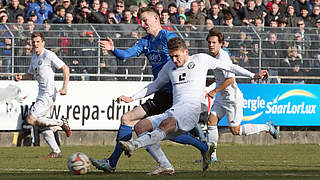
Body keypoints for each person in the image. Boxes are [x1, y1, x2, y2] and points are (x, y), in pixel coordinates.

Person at [117, 36, 270, 174]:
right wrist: (132, 97)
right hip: (175, 109)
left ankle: (133, 145)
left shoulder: (200, 59)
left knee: (166, 124)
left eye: (177, 56)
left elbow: (228, 67)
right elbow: (154, 85)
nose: (175, 60)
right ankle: (165, 165)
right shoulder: (169, 67)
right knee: (140, 127)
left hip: (191, 110)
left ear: (186, 51)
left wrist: (253, 75)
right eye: (171, 56)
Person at [90, 6, 211, 174]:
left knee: (153, 127)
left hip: (176, 94)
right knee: (131, 121)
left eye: (145, 21)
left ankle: (113, 162)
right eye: (141, 21)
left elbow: (184, 60)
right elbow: (126, 55)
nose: (143, 24)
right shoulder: (145, 42)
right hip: (161, 93)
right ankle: (202, 147)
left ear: (156, 19)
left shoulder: (169, 37)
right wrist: (113, 49)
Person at [205, 29, 279, 163]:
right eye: (209, 42)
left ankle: (268, 127)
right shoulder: (214, 57)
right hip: (222, 97)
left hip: (232, 99)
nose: (211, 45)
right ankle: (212, 156)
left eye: (214, 42)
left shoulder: (222, 57)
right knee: (211, 122)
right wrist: (212, 81)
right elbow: (227, 73)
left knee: (236, 131)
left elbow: (230, 80)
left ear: (221, 44)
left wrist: (214, 91)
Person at [14, 32, 72, 149]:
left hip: (48, 94)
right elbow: (30, 74)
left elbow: (65, 68)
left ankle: (61, 123)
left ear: (43, 43)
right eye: (33, 42)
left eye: (38, 42)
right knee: (41, 125)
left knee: (30, 119)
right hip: (41, 94)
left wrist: (64, 87)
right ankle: (56, 150)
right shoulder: (34, 58)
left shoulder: (48, 55)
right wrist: (21, 77)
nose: (35, 44)